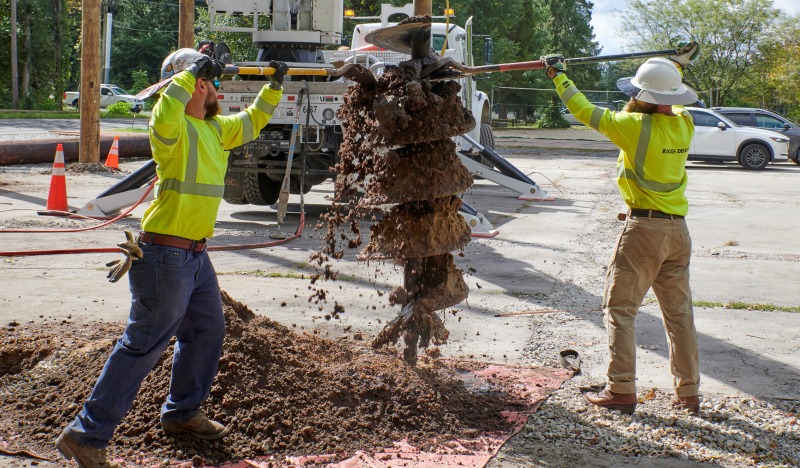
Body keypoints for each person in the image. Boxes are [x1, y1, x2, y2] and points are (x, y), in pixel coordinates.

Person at [55, 49, 289, 467]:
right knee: (143, 344)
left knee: (206, 331)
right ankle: (86, 435)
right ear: (197, 84)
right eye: (211, 81)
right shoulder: (173, 129)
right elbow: (164, 113)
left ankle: (182, 413)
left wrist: (275, 85)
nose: (217, 88)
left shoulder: (218, 130)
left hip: (195, 256)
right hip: (165, 255)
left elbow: (254, 120)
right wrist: (188, 74)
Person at [543, 43, 702, 415]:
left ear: (639, 95)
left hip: (644, 232)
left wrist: (558, 75)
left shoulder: (632, 126)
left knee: (619, 309)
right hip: (679, 234)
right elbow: (672, 100)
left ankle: (621, 391)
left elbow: (582, 109)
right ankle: (689, 393)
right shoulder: (685, 123)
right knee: (679, 316)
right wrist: (672, 67)